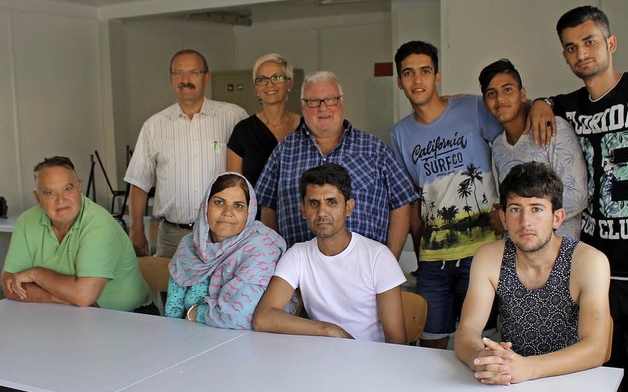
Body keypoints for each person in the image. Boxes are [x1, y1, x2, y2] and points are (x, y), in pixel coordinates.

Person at [527, 5, 628, 392]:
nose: (581, 53)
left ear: (611, 42)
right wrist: (541, 101)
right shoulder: (569, 107)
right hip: (599, 263)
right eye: (571, 47)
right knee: (602, 370)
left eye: (589, 42)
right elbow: (546, 104)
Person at [454, 161, 611, 385]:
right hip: (512, 381)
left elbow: (597, 348)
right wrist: (482, 358)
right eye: (515, 209)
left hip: (575, 380)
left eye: (536, 209)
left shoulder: (589, 261)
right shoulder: (489, 257)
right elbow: (466, 331)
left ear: (557, 218)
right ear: (504, 219)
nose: (525, 221)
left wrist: (529, 368)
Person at [391, 40, 503, 349]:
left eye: (425, 71)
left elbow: (512, 139)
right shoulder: (400, 133)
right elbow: (412, 199)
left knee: (483, 344)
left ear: (437, 76)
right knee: (429, 344)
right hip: (433, 260)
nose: (417, 80)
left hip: (481, 253)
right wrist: (418, 254)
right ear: (400, 82)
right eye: (409, 73)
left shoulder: (473, 109)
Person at [255, 71, 417, 259]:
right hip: (301, 278)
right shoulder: (284, 151)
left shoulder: (374, 149)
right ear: (303, 106)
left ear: (341, 102)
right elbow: (268, 207)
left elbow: (402, 203)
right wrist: (278, 262)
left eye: (330, 99)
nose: (322, 108)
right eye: (313, 101)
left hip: (365, 275)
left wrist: (389, 261)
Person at [253, 164, 407, 343]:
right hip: (321, 359)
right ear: (303, 210)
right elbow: (263, 318)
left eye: (331, 202)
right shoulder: (298, 255)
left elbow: (397, 341)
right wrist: (329, 330)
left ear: (349, 208)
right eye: (314, 203)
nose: (322, 212)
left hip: (370, 362)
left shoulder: (378, 257)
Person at [125, 49, 248, 258]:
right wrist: (136, 229)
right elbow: (139, 183)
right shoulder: (154, 126)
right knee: (170, 290)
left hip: (222, 233)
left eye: (193, 72)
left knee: (222, 291)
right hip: (173, 237)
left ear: (206, 78)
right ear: (170, 79)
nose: (185, 80)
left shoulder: (234, 117)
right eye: (178, 73)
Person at [2, 156, 151, 312]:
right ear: (37, 198)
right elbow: (9, 284)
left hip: (129, 319)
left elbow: (84, 296)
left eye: (68, 188)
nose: (61, 200)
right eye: (49, 192)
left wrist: (36, 274)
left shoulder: (99, 223)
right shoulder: (27, 221)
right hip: (65, 313)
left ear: (79, 187)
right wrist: (59, 298)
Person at [164, 172, 293, 329]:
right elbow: (172, 312)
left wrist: (194, 312)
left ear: (249, 212)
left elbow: (239, 316)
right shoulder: (189, 245)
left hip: (249, 344)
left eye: (238, 206)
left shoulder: (262, 248)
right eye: (219, 202)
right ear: (206, 206)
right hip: (190, 340)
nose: (227, 212)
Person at [478, 58, 588, 239]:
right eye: (491, 94)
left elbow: (577, 196)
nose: (500, 99)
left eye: (507, 90)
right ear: (485, 102)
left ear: (522, 94)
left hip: (559, 251)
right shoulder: (498, 145)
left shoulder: (553, 127)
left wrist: (508, 217)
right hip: (519, 255)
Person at [227, 53, 301, 187]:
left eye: (277, 78)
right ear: (256, 88)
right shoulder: (243, 131)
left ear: (289, 83)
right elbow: (234, 188)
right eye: (262, 79)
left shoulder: (307, 128)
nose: (269, 84)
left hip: (300, 208)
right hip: (256, 208)